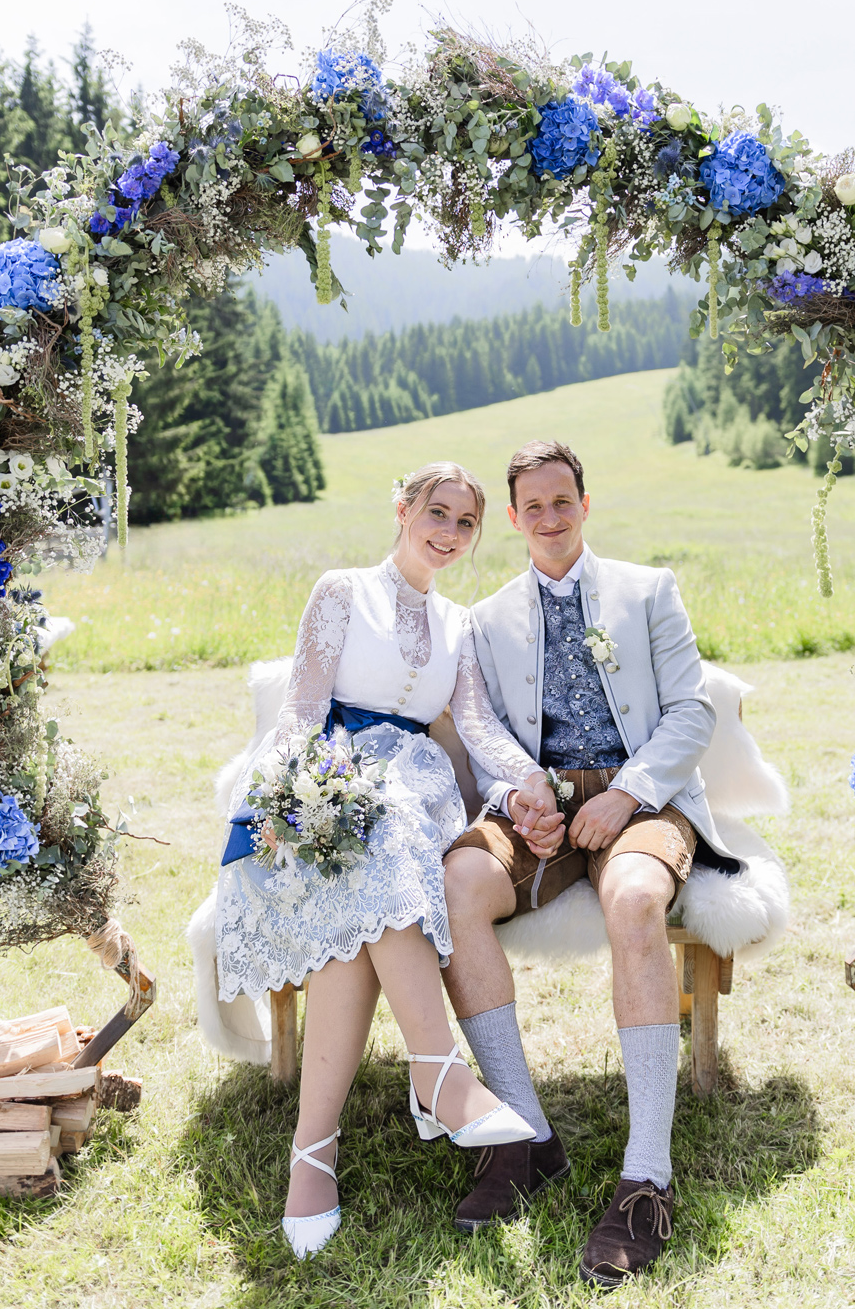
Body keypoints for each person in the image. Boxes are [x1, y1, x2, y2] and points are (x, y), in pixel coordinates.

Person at [213, 462, 562, 1261]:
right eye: (437, 513)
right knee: (363, 873)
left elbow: (476, 723)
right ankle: (434, 1075)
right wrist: (281, 797)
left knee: (391, 831)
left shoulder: (459, 623)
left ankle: (316, 1153)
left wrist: (527, 778)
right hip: (336, 774)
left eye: (466, 523)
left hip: (417, 785)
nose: (450, 533)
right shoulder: (342, 591)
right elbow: (303, 707)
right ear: (402, 510)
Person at [442, 440, 741, 1288]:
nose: (550, 517)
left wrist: (630, 791)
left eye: (562, 500)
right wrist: (521, 794)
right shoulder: (486, 617)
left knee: (637, 899)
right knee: (458, 884)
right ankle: (526, 1138)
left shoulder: (649, 590)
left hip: (643, 797)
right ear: (512, 518)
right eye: (532, 506)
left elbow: (691, 712)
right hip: (541, 808)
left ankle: (648, 1176)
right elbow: (487, 731)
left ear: (585, 503)